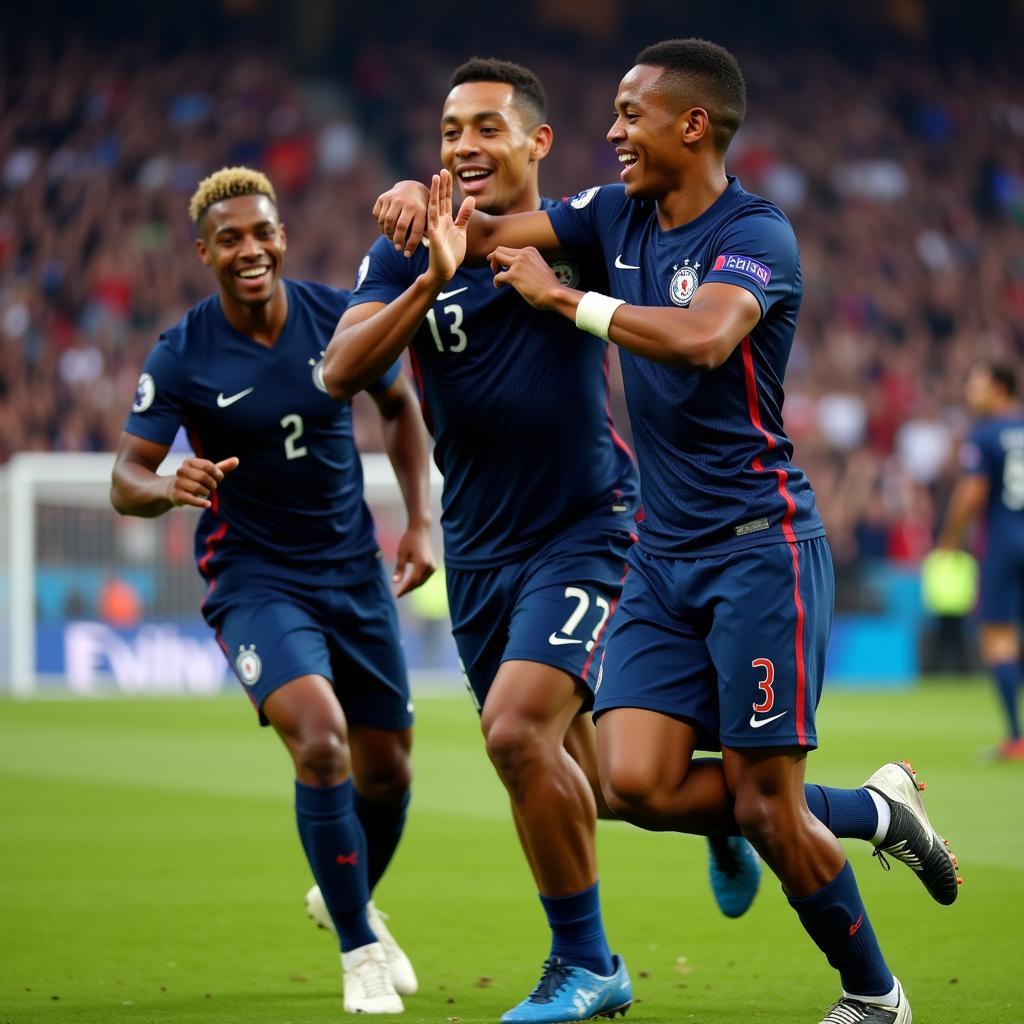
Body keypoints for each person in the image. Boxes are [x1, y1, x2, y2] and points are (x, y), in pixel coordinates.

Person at [382, 39, 962, 1024]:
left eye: (629, 115)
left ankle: (874, 996)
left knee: (765, 804)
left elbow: (704, 339)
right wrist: (419, 199)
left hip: (758, 547)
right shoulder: (613, 216)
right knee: (629, 782)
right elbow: (484, 232)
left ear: (691, 125)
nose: (611, 133)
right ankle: (871, 809)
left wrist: (565, 299)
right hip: (660, 552)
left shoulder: (756, 234)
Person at [321, 58, 648, 1024]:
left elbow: (657, 195)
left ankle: (586, 965)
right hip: (481, 552)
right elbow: (340, 371)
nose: (463, 146)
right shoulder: (410, 247)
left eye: (486, 129)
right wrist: (427, 282)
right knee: (608, 785)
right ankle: (849, 813)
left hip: (586, 529)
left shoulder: (585, 230)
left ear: (537, 141)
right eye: (450, 131)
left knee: (512, 736)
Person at [110, 167, 435, 1015]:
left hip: (353, 571)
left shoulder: (337, 315)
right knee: (322, 742)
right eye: (230, 239)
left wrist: (420, 521)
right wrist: (168, 484)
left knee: (391, 772)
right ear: (204, 253)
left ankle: (344, 898)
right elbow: (123, 477)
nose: (250, 250)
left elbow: (400, 409)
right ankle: (361, 951)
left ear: (282, 237)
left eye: (263, 233)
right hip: (255, 579)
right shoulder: (182, 352)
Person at [937, 359, 1024, 759]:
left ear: (1000, 388)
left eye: (978, 382)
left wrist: (950, 538)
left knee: (999, 638)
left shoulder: (986, 434)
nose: (971, 390)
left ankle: (1015, 737)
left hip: (1005, 542)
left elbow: (973, 492)